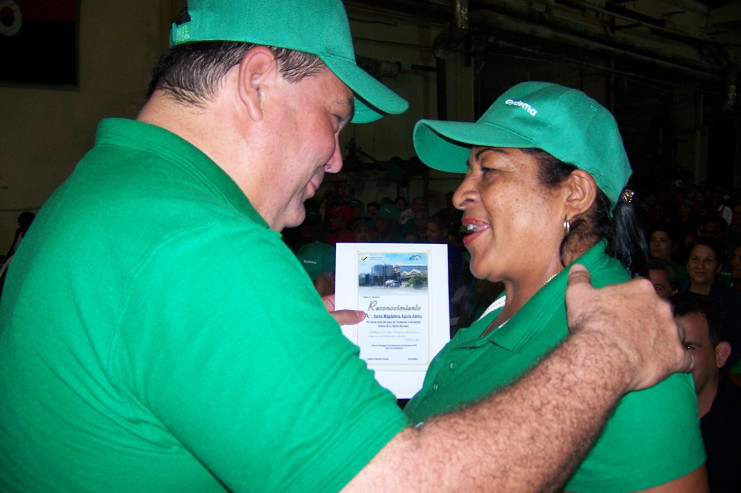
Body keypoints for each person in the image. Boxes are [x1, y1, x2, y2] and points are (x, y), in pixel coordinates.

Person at [0, 2, 694, 492]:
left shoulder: (110, 190)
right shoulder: (202, 245)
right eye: (334, 118)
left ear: (574, 192)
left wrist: (265, 342)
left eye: (488, 167)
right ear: (255, 80)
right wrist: (607, 353)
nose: (337, 158)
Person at [406, 81, 707, 491]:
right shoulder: (500, 311)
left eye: (488, 169)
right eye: (466, 172)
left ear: (574, 193)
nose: (459, 194)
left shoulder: (629, 344)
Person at [673, 292, 741, 492]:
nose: (675, 360)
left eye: (688, 347)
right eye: (667, 347)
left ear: (720, 355)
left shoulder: (734, 428)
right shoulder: (648, 415)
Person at [680, 237, 741, 368]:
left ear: (718, 267)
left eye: (708, 260)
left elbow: (734, 344)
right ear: (687, 264)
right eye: (695, 259)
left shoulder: (732, 300)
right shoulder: (675, 293)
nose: (700, 266)